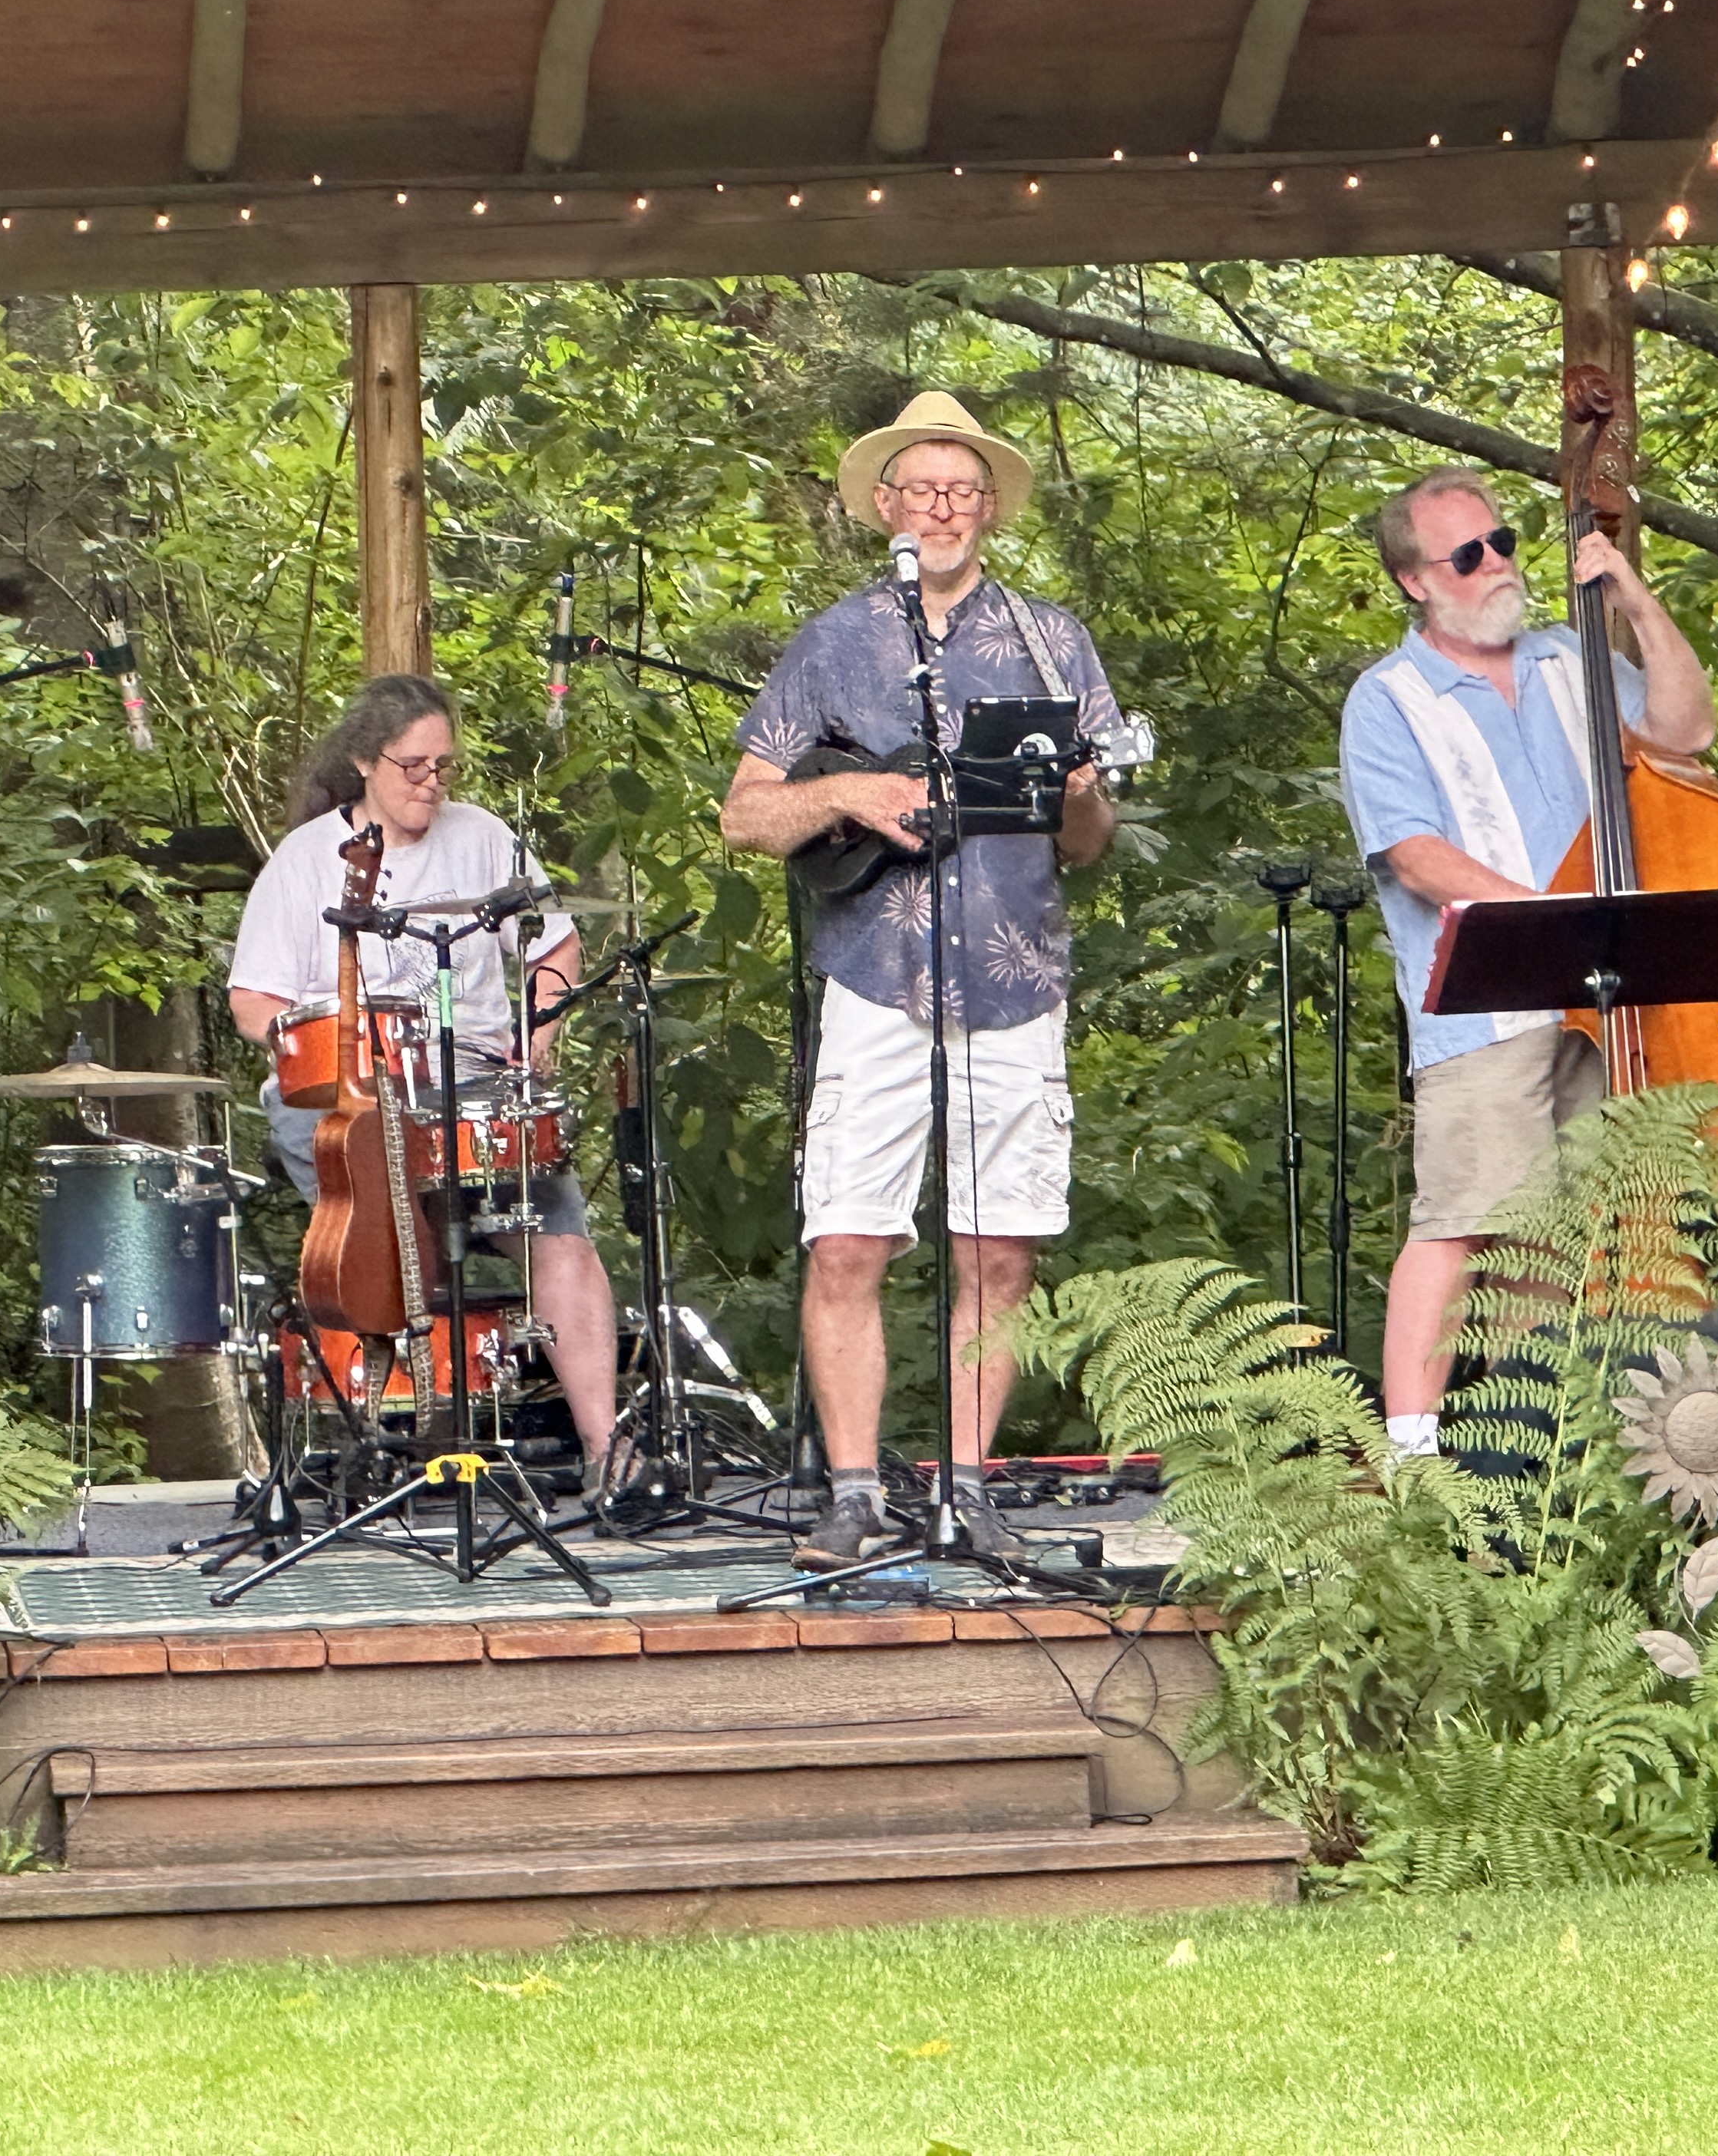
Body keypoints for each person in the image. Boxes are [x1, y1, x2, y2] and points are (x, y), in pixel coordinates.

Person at [716, 391, 1124, 1568]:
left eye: (962, 491)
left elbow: (1089, 842)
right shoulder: (836, 641)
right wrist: (849, 792)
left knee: (1000, 1250)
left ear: (988, 508)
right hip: (873, 973)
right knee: (847, 1239)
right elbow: (744, 816)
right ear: (885, 506)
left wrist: (1082, 793)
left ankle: (968, 1492)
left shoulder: (1050, 642)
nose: (941, 509)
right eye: (922, 490)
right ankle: (853, 1496)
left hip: (1015, 977)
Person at [1337, 467, 1716, 1454]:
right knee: (1465, 1217)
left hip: (1608, 998)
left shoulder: (1569, 657)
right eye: (1467, 555)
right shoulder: (1388, 698)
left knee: (1573, 1236)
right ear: (1415, 580)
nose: (1497, 563)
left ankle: (1534, 1445)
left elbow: (1687, 733)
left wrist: (1634, 596)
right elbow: (1416, 855)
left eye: (1502, 541)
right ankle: (1412, 1455)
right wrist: (1559, 919)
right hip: (1488, 1002)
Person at [226, 673, 623, 1487]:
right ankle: (403, 1437)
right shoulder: (305, 861)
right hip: (350, 1091)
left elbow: (554, 945)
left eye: (444, 767)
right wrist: (328, 1047)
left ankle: (606, 1452)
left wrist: (538, 1031)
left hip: (473, 1080)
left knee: (561, 1238)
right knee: (389, 1229)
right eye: (413, 766)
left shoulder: (483, 837)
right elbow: (252, 1001)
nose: (431, 783)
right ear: (364, 762)